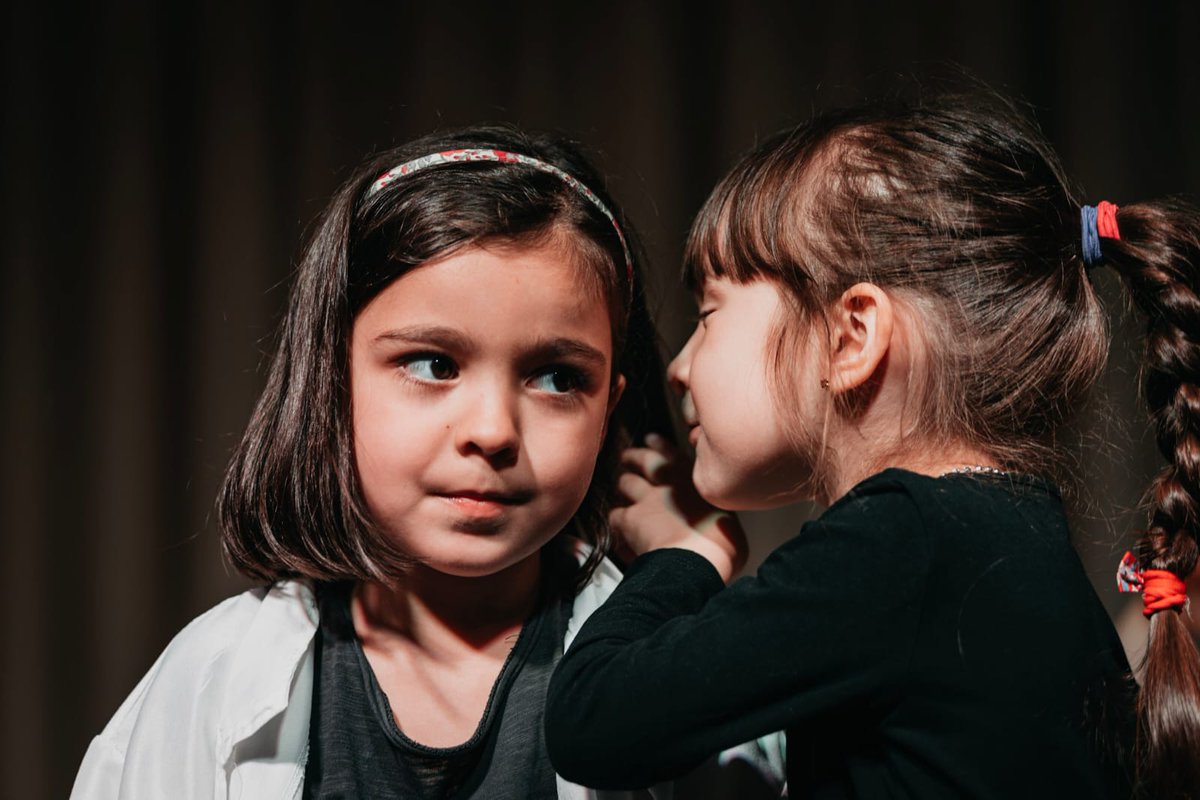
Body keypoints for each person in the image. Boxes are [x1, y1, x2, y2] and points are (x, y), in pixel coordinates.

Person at [546, 92, 1200, 799]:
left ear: (851, 337)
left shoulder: (902, 545)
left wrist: (686, 553)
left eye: (709, 314)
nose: (678, 366)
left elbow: (594, 721)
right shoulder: (1010, 550)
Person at [70, 123, 678, 799]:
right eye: (432, 364)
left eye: (557, 378)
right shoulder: (203, 687)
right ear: (333, 380)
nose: (492, 430)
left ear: (608, 410)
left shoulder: (679, 681)